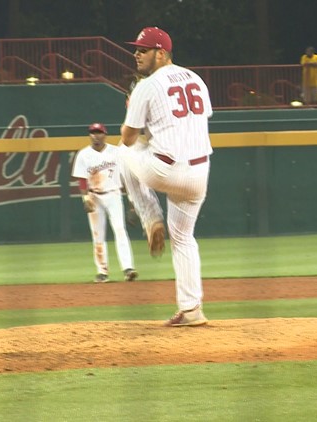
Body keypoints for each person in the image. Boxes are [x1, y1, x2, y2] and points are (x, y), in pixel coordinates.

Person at [119, 27, 213, 327]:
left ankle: (149, 217)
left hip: (165, 170)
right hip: (199, 174)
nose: (136, 54)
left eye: (143, 49)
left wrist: (134, 109)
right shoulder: (196, 79)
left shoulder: (147, 86)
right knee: (184, 238)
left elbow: (129, 137)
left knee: (120, 152)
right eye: (136, 49)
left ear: (161, 53)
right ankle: (191, 310)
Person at [72, 122, 138, 283]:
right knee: (98, 235)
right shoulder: (83, 154)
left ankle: (128, 268)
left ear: (105, 134)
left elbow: (126, 178)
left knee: (120, 230)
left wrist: (131, 204)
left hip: (113, 194)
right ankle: (102, 271)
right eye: (93, 132)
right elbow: (82, 179)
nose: (95, 135)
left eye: (99, 132)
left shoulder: (116, 152)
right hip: (94, 196)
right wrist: (85, 198)